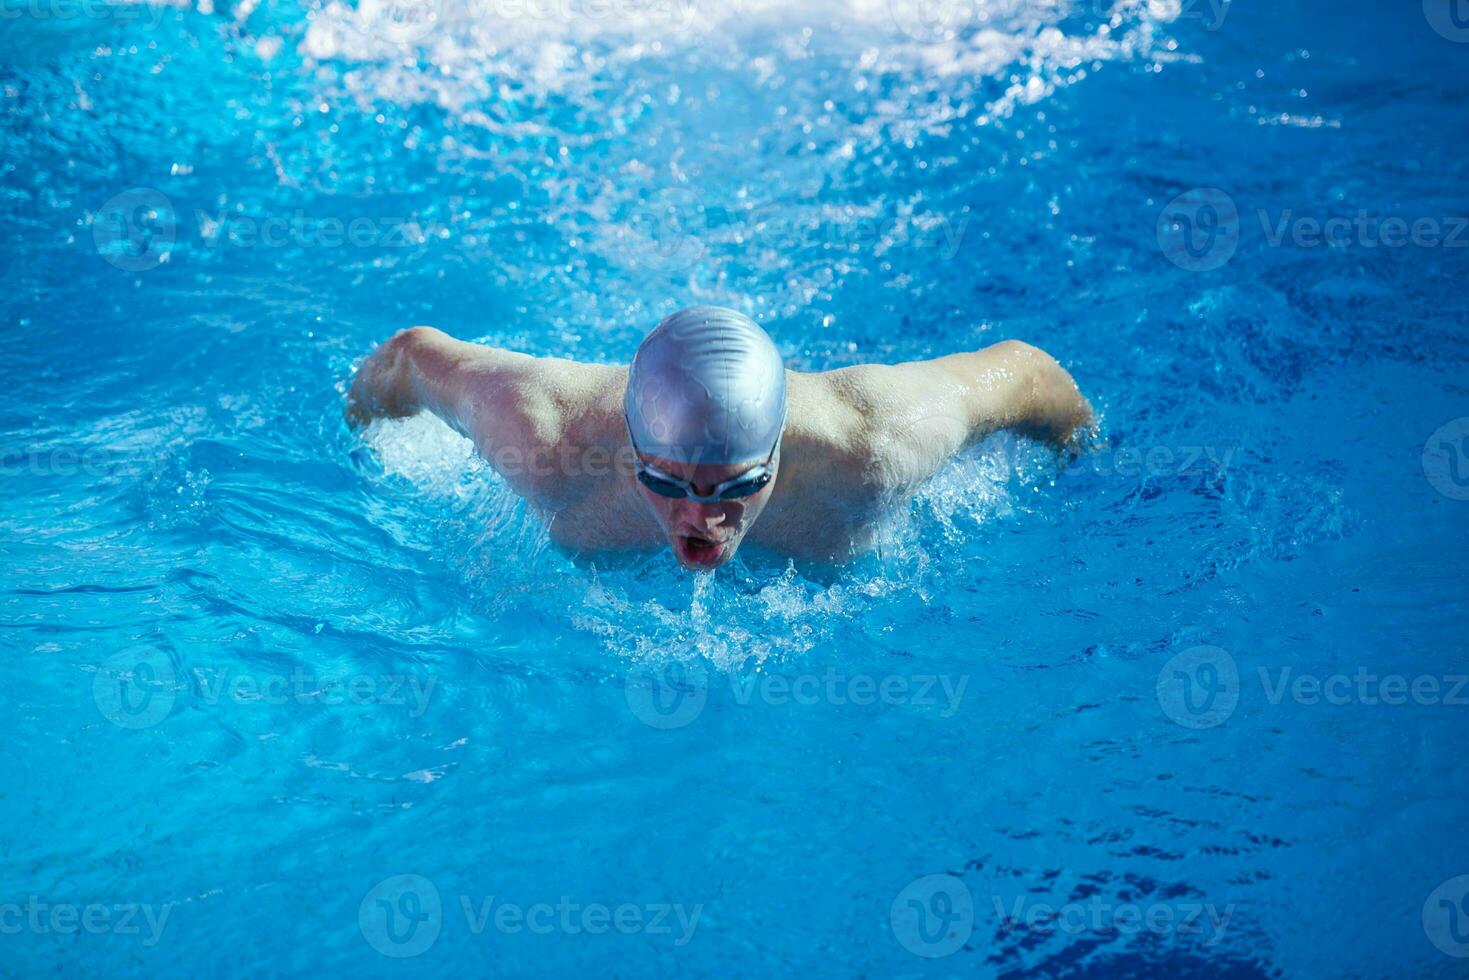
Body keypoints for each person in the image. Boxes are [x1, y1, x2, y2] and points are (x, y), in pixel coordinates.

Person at [346, 306, 1093, 569]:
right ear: (629, 451)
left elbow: (1025, 375)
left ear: (778, 452)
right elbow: (408, 358)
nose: (701, 518)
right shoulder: (547, 441)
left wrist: (1081, 464)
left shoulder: (871, 447)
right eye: (666, 482)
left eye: (737, 486)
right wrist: (362, 454)